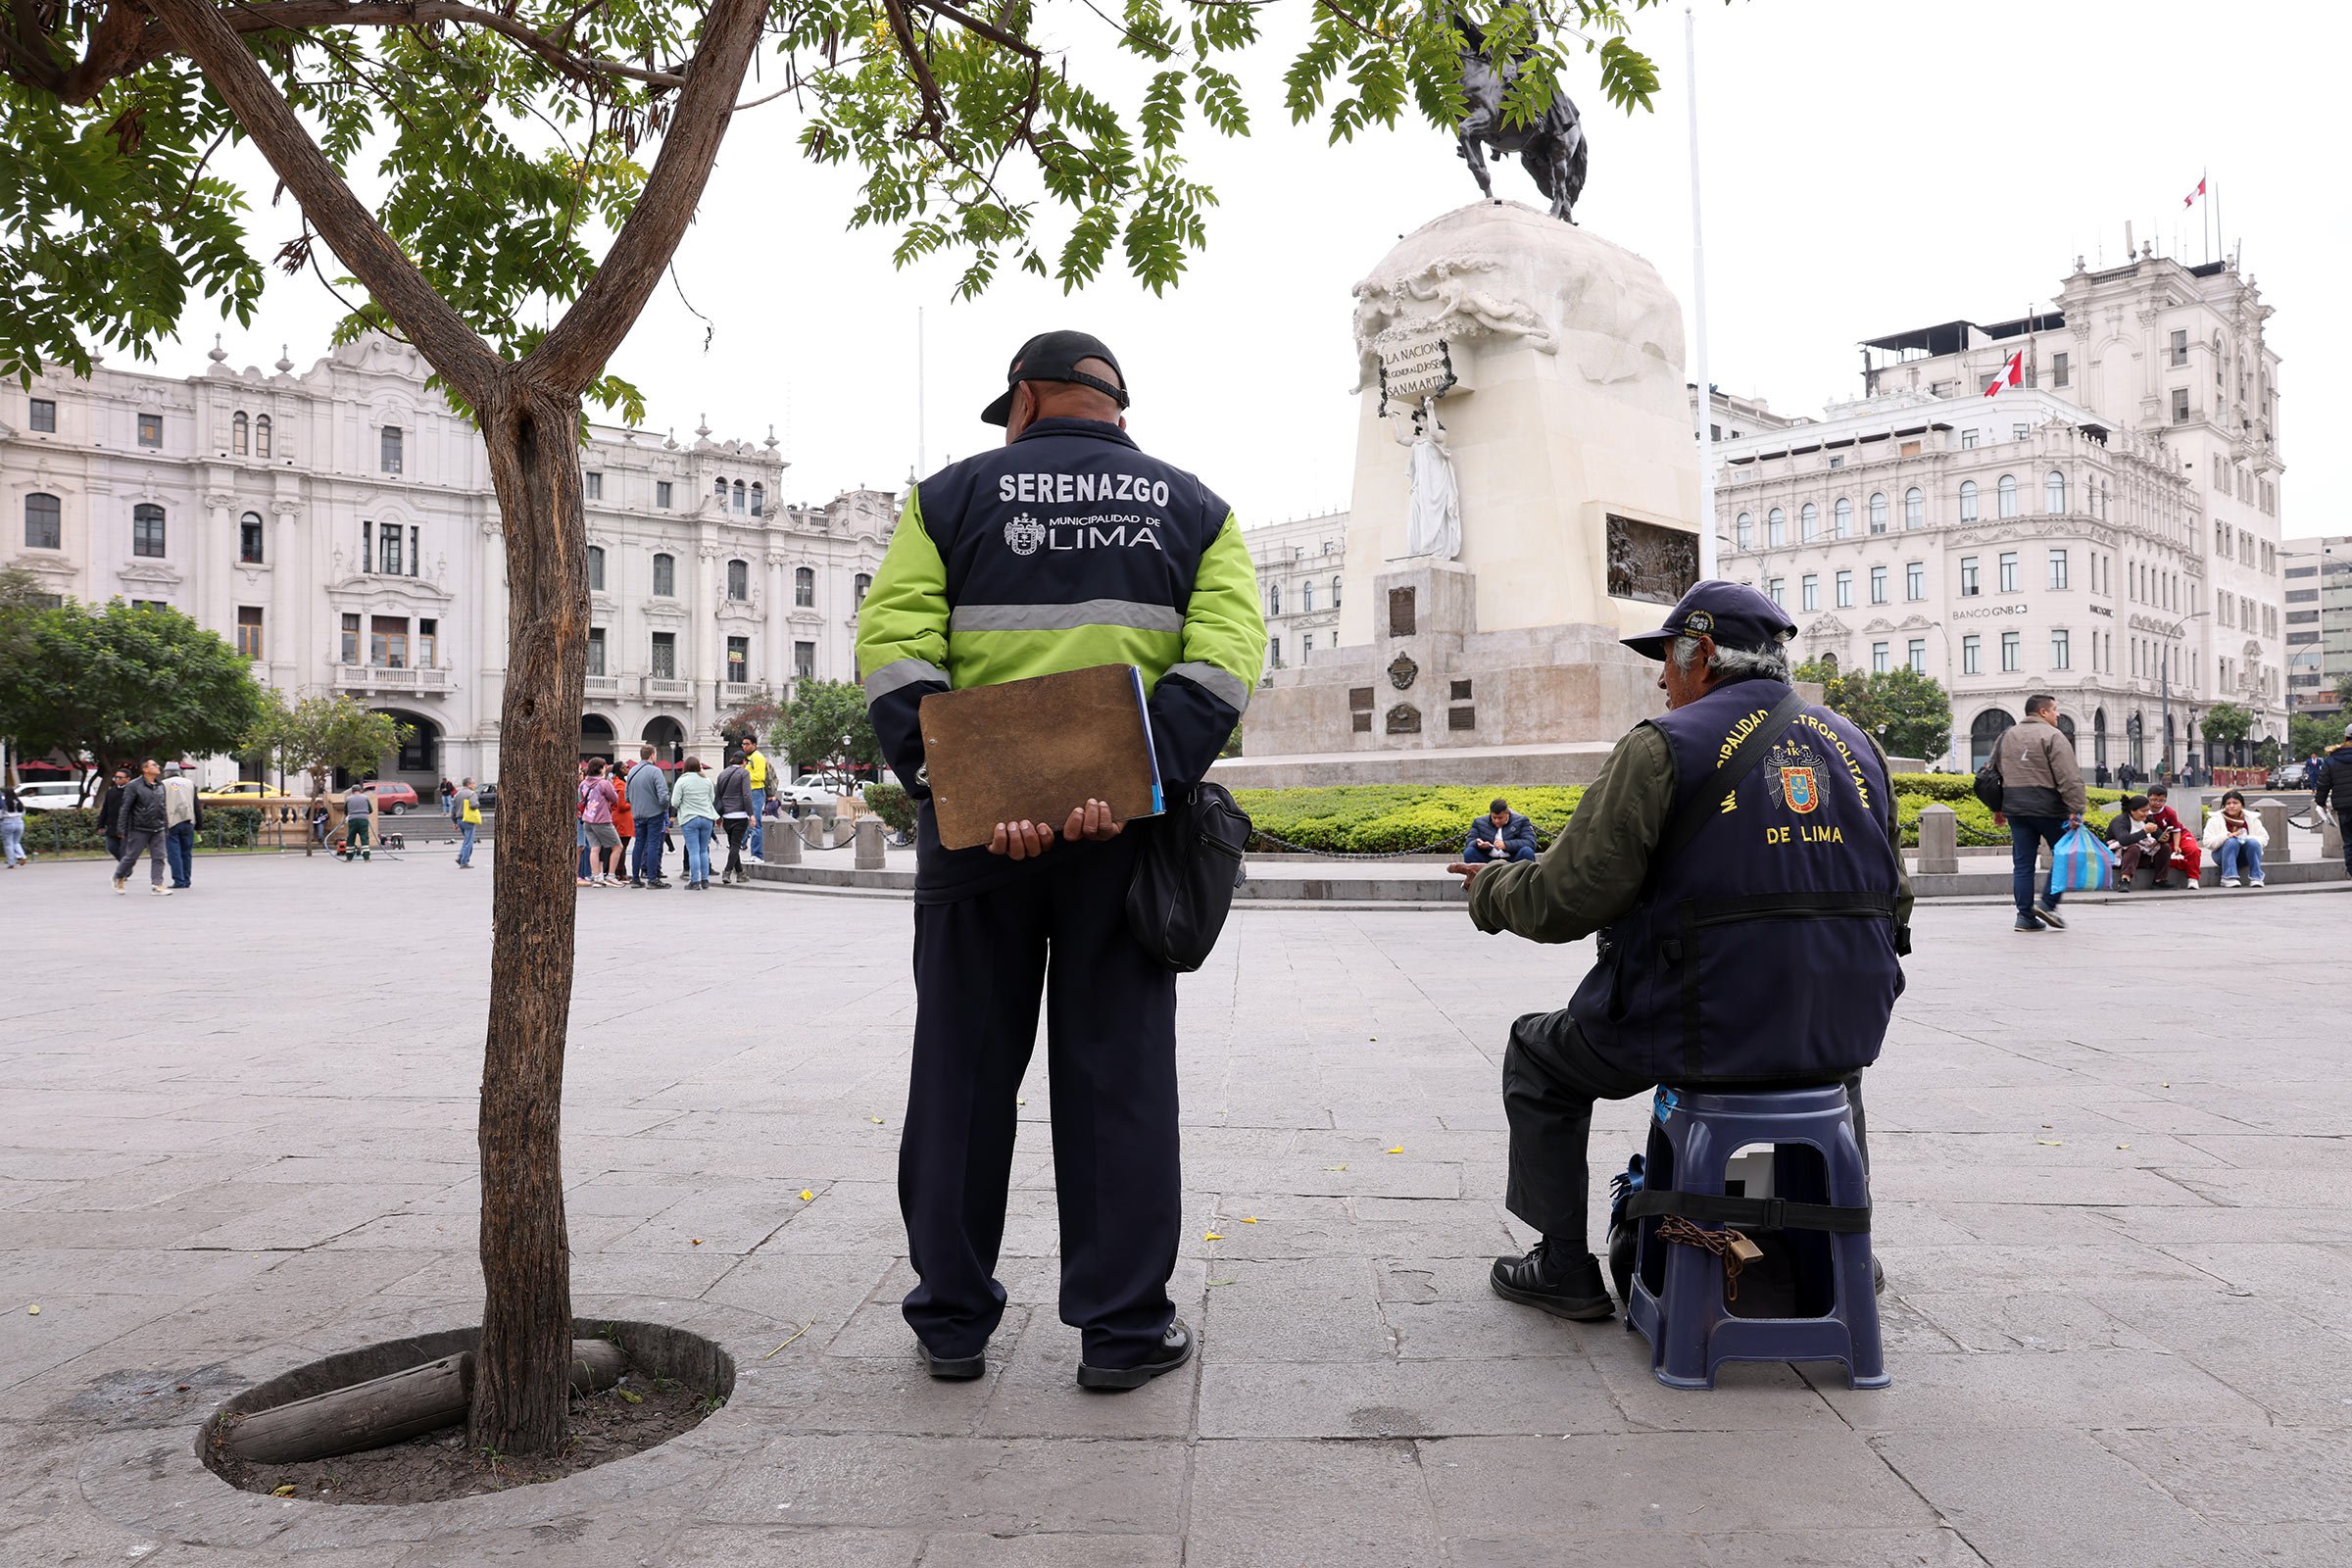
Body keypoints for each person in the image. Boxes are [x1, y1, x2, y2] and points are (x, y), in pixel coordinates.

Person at [856, 328, 1264, 1390]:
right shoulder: (1200, 511)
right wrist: (1125, 788)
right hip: (1124, 848)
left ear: (1027, 401)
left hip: (976, 840)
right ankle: (1123, 1333)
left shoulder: (945, 500)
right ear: (1115, 407)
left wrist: (973, 791)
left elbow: (895, 650)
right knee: (1117, 1081)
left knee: (961, 1075)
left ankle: (952, 1321)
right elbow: (1223, 666)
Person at [1444, 582, 1908, 1322]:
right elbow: (1897, 901)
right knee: (1823, 1069)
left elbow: (1567, 899)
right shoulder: (1857, 744)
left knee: (1537, 1057)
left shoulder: (1663, 747)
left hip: (1699, 1022)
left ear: (1700, 656)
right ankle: (1845, 1253)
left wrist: (1490, 888)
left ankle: (1563, 1266)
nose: (1661, 679)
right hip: (1842, 1022)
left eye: (1666, 659)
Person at [1990, 694, 2085, 932]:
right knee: (2067, 856)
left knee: (2023, 864)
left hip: (2016, 809)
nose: (2058, 714)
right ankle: (2048, 903)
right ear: (2043, 712)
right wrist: (2076, 809)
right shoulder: (2054, 736)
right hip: (2050, 808)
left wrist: (1997, 807)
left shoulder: (2006, 736)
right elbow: (2069, 776)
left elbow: (1992, 773)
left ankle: (2024, 916)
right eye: (2055, 709)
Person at [112, 759, 172, 894]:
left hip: (158, 827)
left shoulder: (160, 785)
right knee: (131, 857)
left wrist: (165, 826)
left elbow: (163, 808)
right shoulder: (134, 786)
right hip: (139, 827)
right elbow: (125, 808)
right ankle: (119, 876)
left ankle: (157, 884)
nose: (158, 767)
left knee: (159, 857)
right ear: (145, 769)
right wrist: (121, 828)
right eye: (154, 765)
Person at [668, 756, 717, 889]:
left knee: (694, 851)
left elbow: (675, 801)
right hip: (707, 818)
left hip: (689, 818)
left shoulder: (682, 781)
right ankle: (705, 880)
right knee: (703, 850)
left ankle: (695, 881)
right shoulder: (707, 781)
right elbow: (712, 798)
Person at [2202, 788, 2267, 887]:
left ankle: (2256, 877)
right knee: (2232, 842)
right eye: (2228, 803)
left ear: (2242, 805)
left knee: (2253, 842)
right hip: (2222, 855)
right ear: (2224, 806)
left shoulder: (2252, 819)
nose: (2231, 806)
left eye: (2235, 803)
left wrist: (2246, 838)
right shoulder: (2215, 820)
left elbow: (2264, 839)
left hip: (2245, 856)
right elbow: (2207, 842)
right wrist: (2227, 836)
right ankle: (2228, 877)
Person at [2143, 784, 2201, 890]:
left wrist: (2177, 845)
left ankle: (2193, 879)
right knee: (2156, 860)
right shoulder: (2143, 813)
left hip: (2179, 836)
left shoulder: (2169, 813)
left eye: (2161, 800)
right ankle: (2185, 864)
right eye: (2154, 800)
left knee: (2193, 851)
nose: (2157, 803)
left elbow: (2176, 830)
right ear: (2148, 798)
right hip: (2160, 842)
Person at [628, 744, 670, 887]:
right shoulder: (655, 771)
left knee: (639, 844)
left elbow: (627, 797)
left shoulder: (632, 771)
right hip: (654, 813)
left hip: (637, 813)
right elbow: (663, 796)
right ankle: (652, 878)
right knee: (653, 844)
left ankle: (635, 878)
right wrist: (664, 808)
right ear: (652, 755)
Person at [713, 748, 755, 886]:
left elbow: (718, 796)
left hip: (726, 814)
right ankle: (727, 871)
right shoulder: (744, 774)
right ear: (743, 761)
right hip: (740, 814)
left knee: (733, 845)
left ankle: (741, 873)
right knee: (736, 844)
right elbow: (746, 795)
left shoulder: (722, 773)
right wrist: (751, 814)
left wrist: (718, 816)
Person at [2317, 723, 2352, 879]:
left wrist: (2321, 802)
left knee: (2349, 842)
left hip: (2345, 807)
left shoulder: (2331, 760)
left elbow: (2323, 784)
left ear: (2345, 737)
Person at [2105, 795, 2163, 889]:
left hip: (2143, 855)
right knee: (2134, 848)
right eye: (2143, 811)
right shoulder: (2120, 821)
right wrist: (2144, 831)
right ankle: (2125, 880)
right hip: (2120, 856)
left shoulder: (2147, 819)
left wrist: (2163, 837)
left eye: (2148, 810)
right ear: (2132, 811)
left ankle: (2160, 880)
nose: (2146, 814)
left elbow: (2158, 835)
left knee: (2165, 847)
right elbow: (2124, 840)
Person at [579, 758, 620, 886]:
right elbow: (615, 799)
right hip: (602, 819)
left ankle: (597, 877)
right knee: (617, 847)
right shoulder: (604, 783)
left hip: (587, 819)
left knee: (594, 848)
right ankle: (611, 875)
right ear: (601, 769)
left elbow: (582, 799)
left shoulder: (583, 783)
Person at [161, 762, 203, 889]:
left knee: (174, 853)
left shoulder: (163, 784)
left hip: (171, 822)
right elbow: (196, 805)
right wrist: (199, 826)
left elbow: (160, 805)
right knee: (186, 853)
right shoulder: (189, 783)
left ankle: (179, 880)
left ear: (166, 772)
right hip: (188, 821)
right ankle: (186, 880)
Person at [1462, 798, 1538, 863]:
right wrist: (1478, 844)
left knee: (1527, 851)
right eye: (1494, 817)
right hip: (1487, 859)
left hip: (1512, 859)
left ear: (1507, 814)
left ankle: (1525, 879)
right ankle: (1476, 879)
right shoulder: (1479, 822)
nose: (1497, 821)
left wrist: (1506, 845)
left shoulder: (1521, 821)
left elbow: (1530, 842)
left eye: (1500, 818)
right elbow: (1469, 842)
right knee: (1469, 852)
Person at [740, 733, 771, 864]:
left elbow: (760, 776)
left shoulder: (757, 757)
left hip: (756, 791)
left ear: (754, 745)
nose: (744, 747)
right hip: (749, 791)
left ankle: (758, 854)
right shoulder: (748, 757)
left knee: (756, 823)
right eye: (743, 744)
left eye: (747, 744)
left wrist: (744, 773)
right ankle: (750, 849)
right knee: (750, 822)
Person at [96, 766, 132, 864]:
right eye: (115, 777)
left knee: (124, 850)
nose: (117, 780)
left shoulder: (132, 792)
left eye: (120, 778)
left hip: (127, 826)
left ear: (128, 779)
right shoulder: (111, 792)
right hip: (112, 825)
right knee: (111, 847)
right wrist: (100, 825)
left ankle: (124, 870)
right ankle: (125, 866)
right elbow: (105, 809)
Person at [611, 759, 638, 884]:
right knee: (621, 847)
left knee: (620, 846)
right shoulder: (620, 785)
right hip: (622, 819)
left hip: (620, 819)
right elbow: (622, 806)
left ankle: (621, 871)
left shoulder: (617, 783)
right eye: (626, 767)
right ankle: (620, 873)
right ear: (621, 770)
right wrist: (633, 802)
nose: (628, 768)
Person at [454, 777, 482, 868]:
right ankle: (464, 862)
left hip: (459, 819)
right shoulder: (471, 793)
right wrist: (478, 805)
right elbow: (474, 805)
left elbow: (452, 810)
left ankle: (460, 857)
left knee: (466, 840)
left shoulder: (457, 794)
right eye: (473, 783)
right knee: (469, 841)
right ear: (469, 784)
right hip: (468, 819)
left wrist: (454, 822)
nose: (475, 785)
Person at [342, 780, 373, 859]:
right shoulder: (365, 798)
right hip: (363, 819)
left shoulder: (348, 799)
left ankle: (349, 857)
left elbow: (345, 811)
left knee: (351, 838)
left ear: (352, 791)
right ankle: (366, 857)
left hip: (352, 819)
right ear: (361, 791)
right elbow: (370, 810)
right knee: (364, 837)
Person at [0, 782, 25, 869]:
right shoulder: (19, 802)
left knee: (8, 844)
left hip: (7, 823)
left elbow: (1, 815)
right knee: (16, 842)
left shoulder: (4, 803)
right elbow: (23, 813)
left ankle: (11, 863)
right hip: (19, 822)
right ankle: (22, 856)